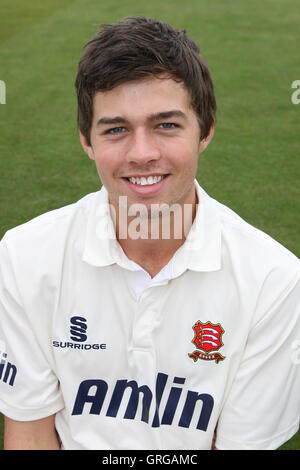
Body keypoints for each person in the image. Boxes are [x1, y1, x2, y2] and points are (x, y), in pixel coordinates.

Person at [0, 16, 299, 451]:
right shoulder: (24, 256)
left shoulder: (275, 281)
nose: (142, 154)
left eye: (166, 125)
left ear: (206, 130)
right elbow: (29, 433)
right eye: (116, 129)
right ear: (87, 139)